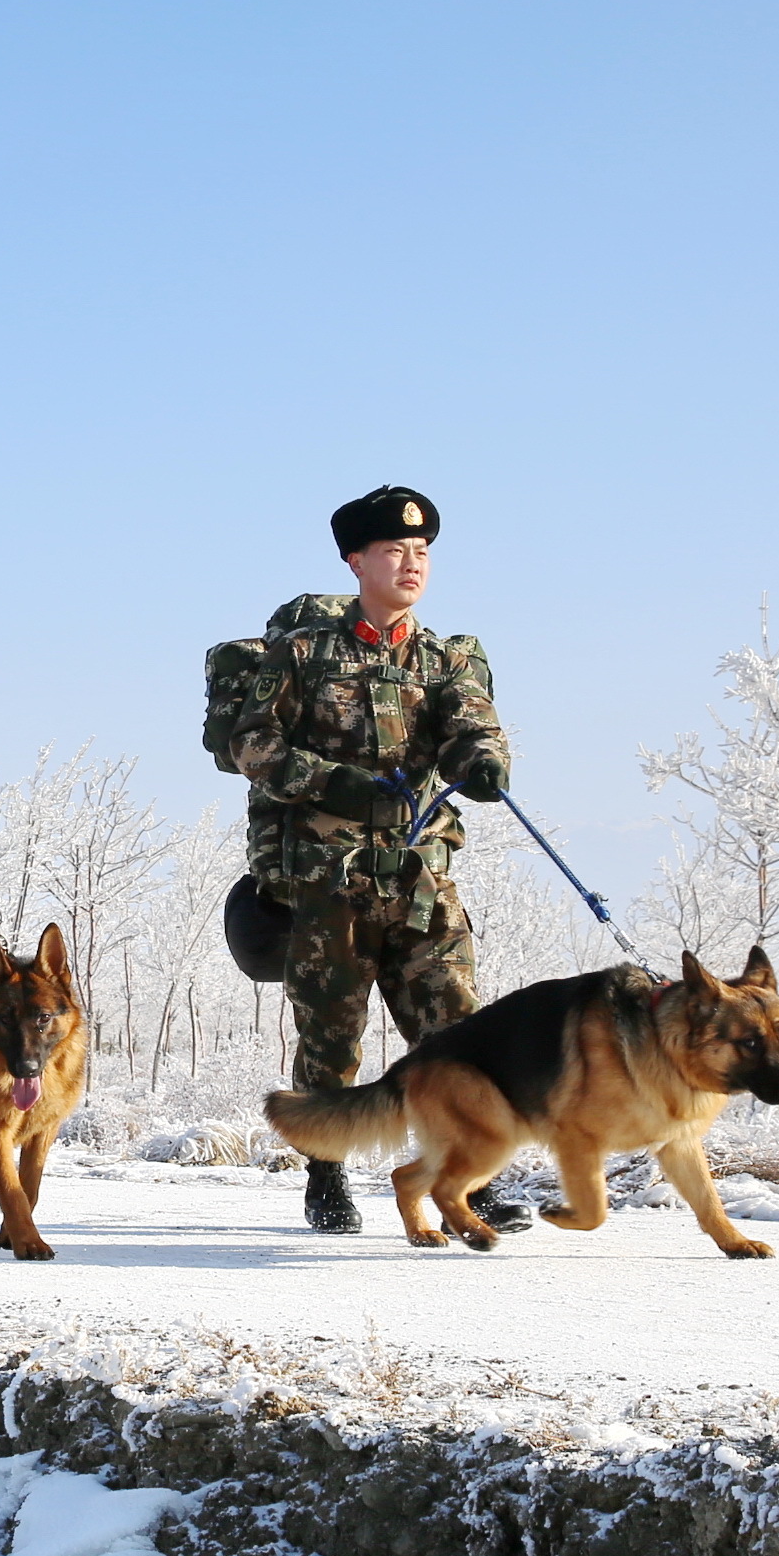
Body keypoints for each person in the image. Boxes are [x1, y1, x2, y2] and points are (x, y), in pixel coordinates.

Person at [207, 485, 513, 1235]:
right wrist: (335, 783)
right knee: (331, 1037)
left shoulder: (446, 659)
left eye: (422, 553)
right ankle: (326, 1172)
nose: (412, 564)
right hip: (327, 881)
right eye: (393, 552)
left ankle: (468, 1175)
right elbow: (252, 743)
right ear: (356, 560)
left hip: (418, 880)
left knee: (457, 1031)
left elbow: (475, 729)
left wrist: (483, 762)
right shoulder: (304, 652)